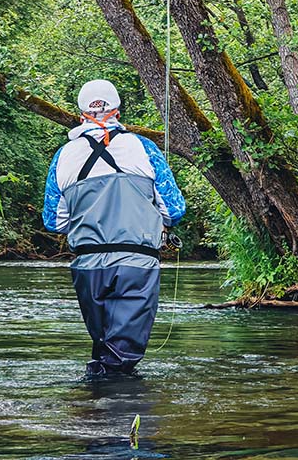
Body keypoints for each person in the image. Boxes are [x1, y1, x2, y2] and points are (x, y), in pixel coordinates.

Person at [42, 79, 185, 376]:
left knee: (104, 345)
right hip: (137, 264)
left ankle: (96, 410)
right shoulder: (145, 148)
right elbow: (174, 210)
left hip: (88, 266)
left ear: (81, 114)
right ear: (118, 111)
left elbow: (54, 222)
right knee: (121, 354)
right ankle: (115, 410)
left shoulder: (62, 156)